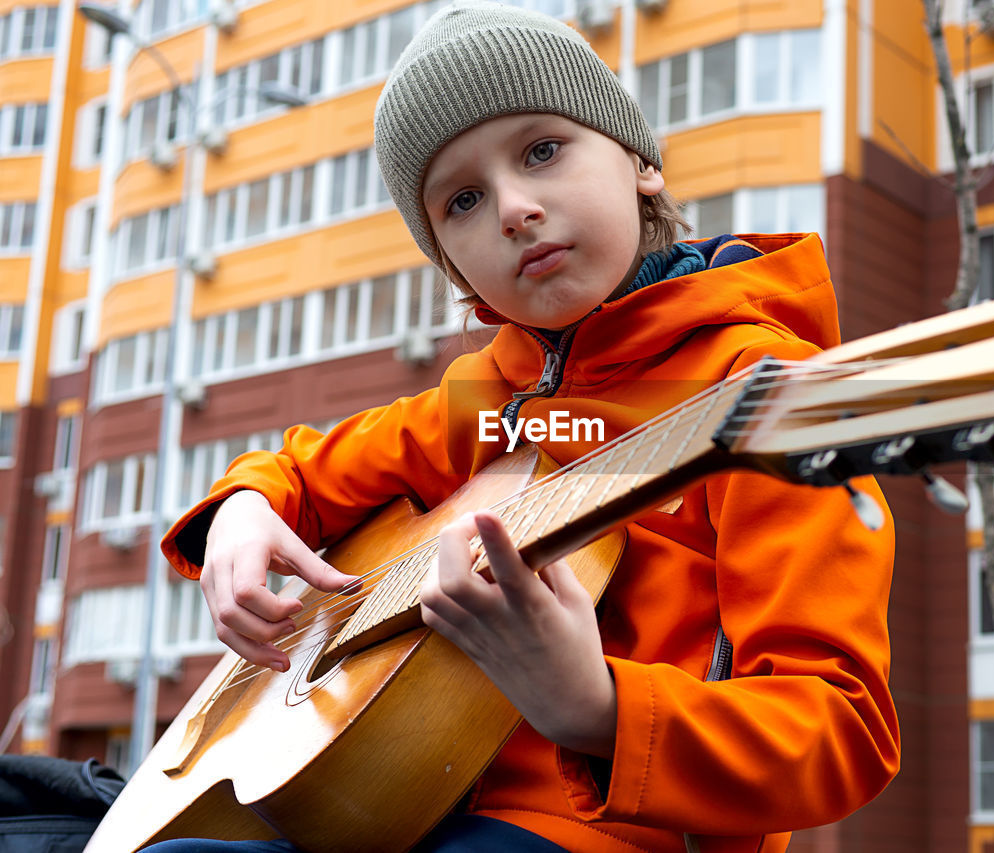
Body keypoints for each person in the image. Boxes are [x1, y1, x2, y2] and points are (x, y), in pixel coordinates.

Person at [147, 2, 899, 851]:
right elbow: (306, 469)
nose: (513, 208)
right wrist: (245, 507)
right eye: (462, 200)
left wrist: (597, 708)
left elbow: (842, 729)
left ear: (642, 162)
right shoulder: (478, 398)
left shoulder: (762, 393)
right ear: (456, 271)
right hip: (405, 810)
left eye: (542, 150)